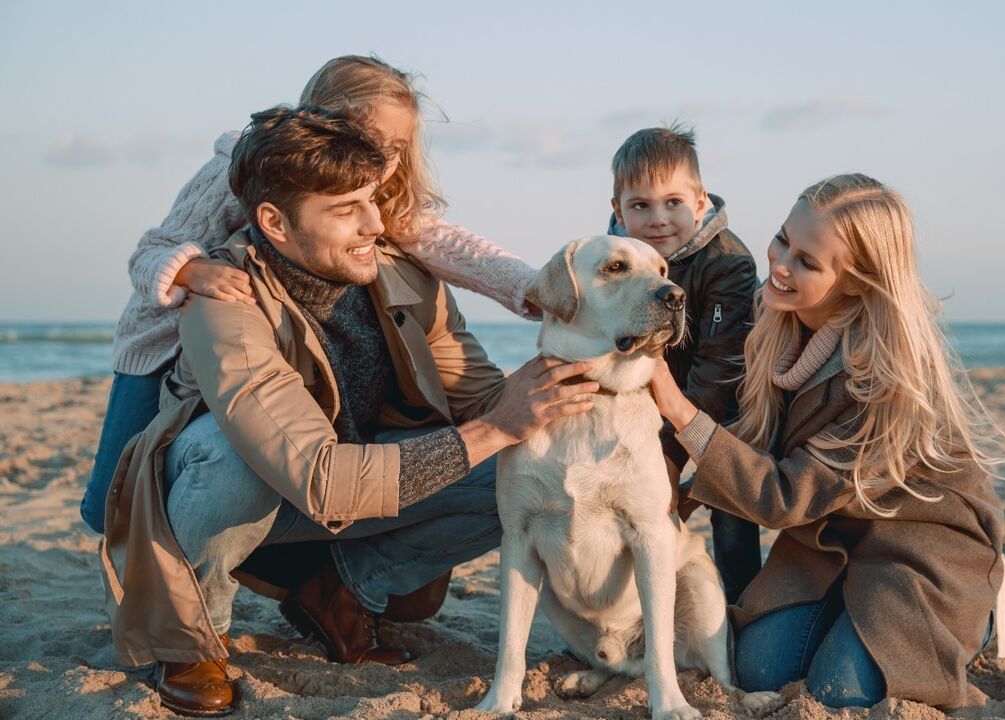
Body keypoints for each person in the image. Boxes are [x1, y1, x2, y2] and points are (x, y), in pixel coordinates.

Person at [99, 105, 596, 718]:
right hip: (243, 495)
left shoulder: (403, 278)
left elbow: (481, 400)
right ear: (274, 223)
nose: (374, 224)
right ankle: (190, 637)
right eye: (344, 210)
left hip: (341, 495)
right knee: (230, 457)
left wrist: (558, 388)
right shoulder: (224, 300)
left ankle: (341, 590)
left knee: (527, 465)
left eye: (371, 200)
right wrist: (495, 427)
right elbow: (320, 477)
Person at [82, 55, 538, 534]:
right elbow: (151, 251)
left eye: (397, 148)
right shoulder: (237, 168)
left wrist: (532, 290)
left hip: (268, 341)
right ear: (321, 120)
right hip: (161, 341)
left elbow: (448, 245)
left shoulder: (370, 193)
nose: (383, 161)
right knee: (107, 507)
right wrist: (192, 270)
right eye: (369, 140)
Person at [650, 174, 1005, 709]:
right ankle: (851, 614)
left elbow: (784, 496)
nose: (780, 265)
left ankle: (976, 614)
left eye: (807, 262)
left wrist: (676, 407)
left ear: (858, 282)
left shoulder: (883, 378)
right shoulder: (777, 319)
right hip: (830, 538)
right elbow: (752, 444)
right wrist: (674, 495)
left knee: (838, 692)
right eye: (782, 240)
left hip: (917, 547)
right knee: (760, 668)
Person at [605, 125, 760, 603]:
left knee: (729, 500)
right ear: (618, 211)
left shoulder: (727, 263)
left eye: (673, 203)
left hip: (726, 402)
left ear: (698, 202)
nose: (657, 220)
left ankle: (740, 597)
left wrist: (672, 456)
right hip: (646, 400)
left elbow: (719, 369)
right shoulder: (612, 259)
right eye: (640, 206)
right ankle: (622, 597)